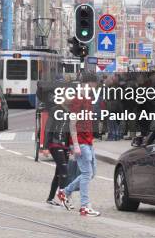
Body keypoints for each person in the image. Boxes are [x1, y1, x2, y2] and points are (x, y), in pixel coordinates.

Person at [60, 73, 100, 217]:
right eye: (95, 84)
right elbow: (73, 122)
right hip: (81, 142)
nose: (96, 87)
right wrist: (75, 144)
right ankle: (84, 206)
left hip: (88, 141)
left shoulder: (87, 97)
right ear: (90, 83)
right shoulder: (79, 98)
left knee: (91, 173)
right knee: (86, 173)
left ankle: (65, 192)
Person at [46, 96, 72, 208]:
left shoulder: (70, 111)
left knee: (58, 173)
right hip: (55, 144)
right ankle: (63, 198)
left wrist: (71, 145)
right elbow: (48, 127)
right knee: (64, 171)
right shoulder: (55, 110)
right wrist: (45, 146)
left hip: (65, 145)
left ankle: (50, 198)